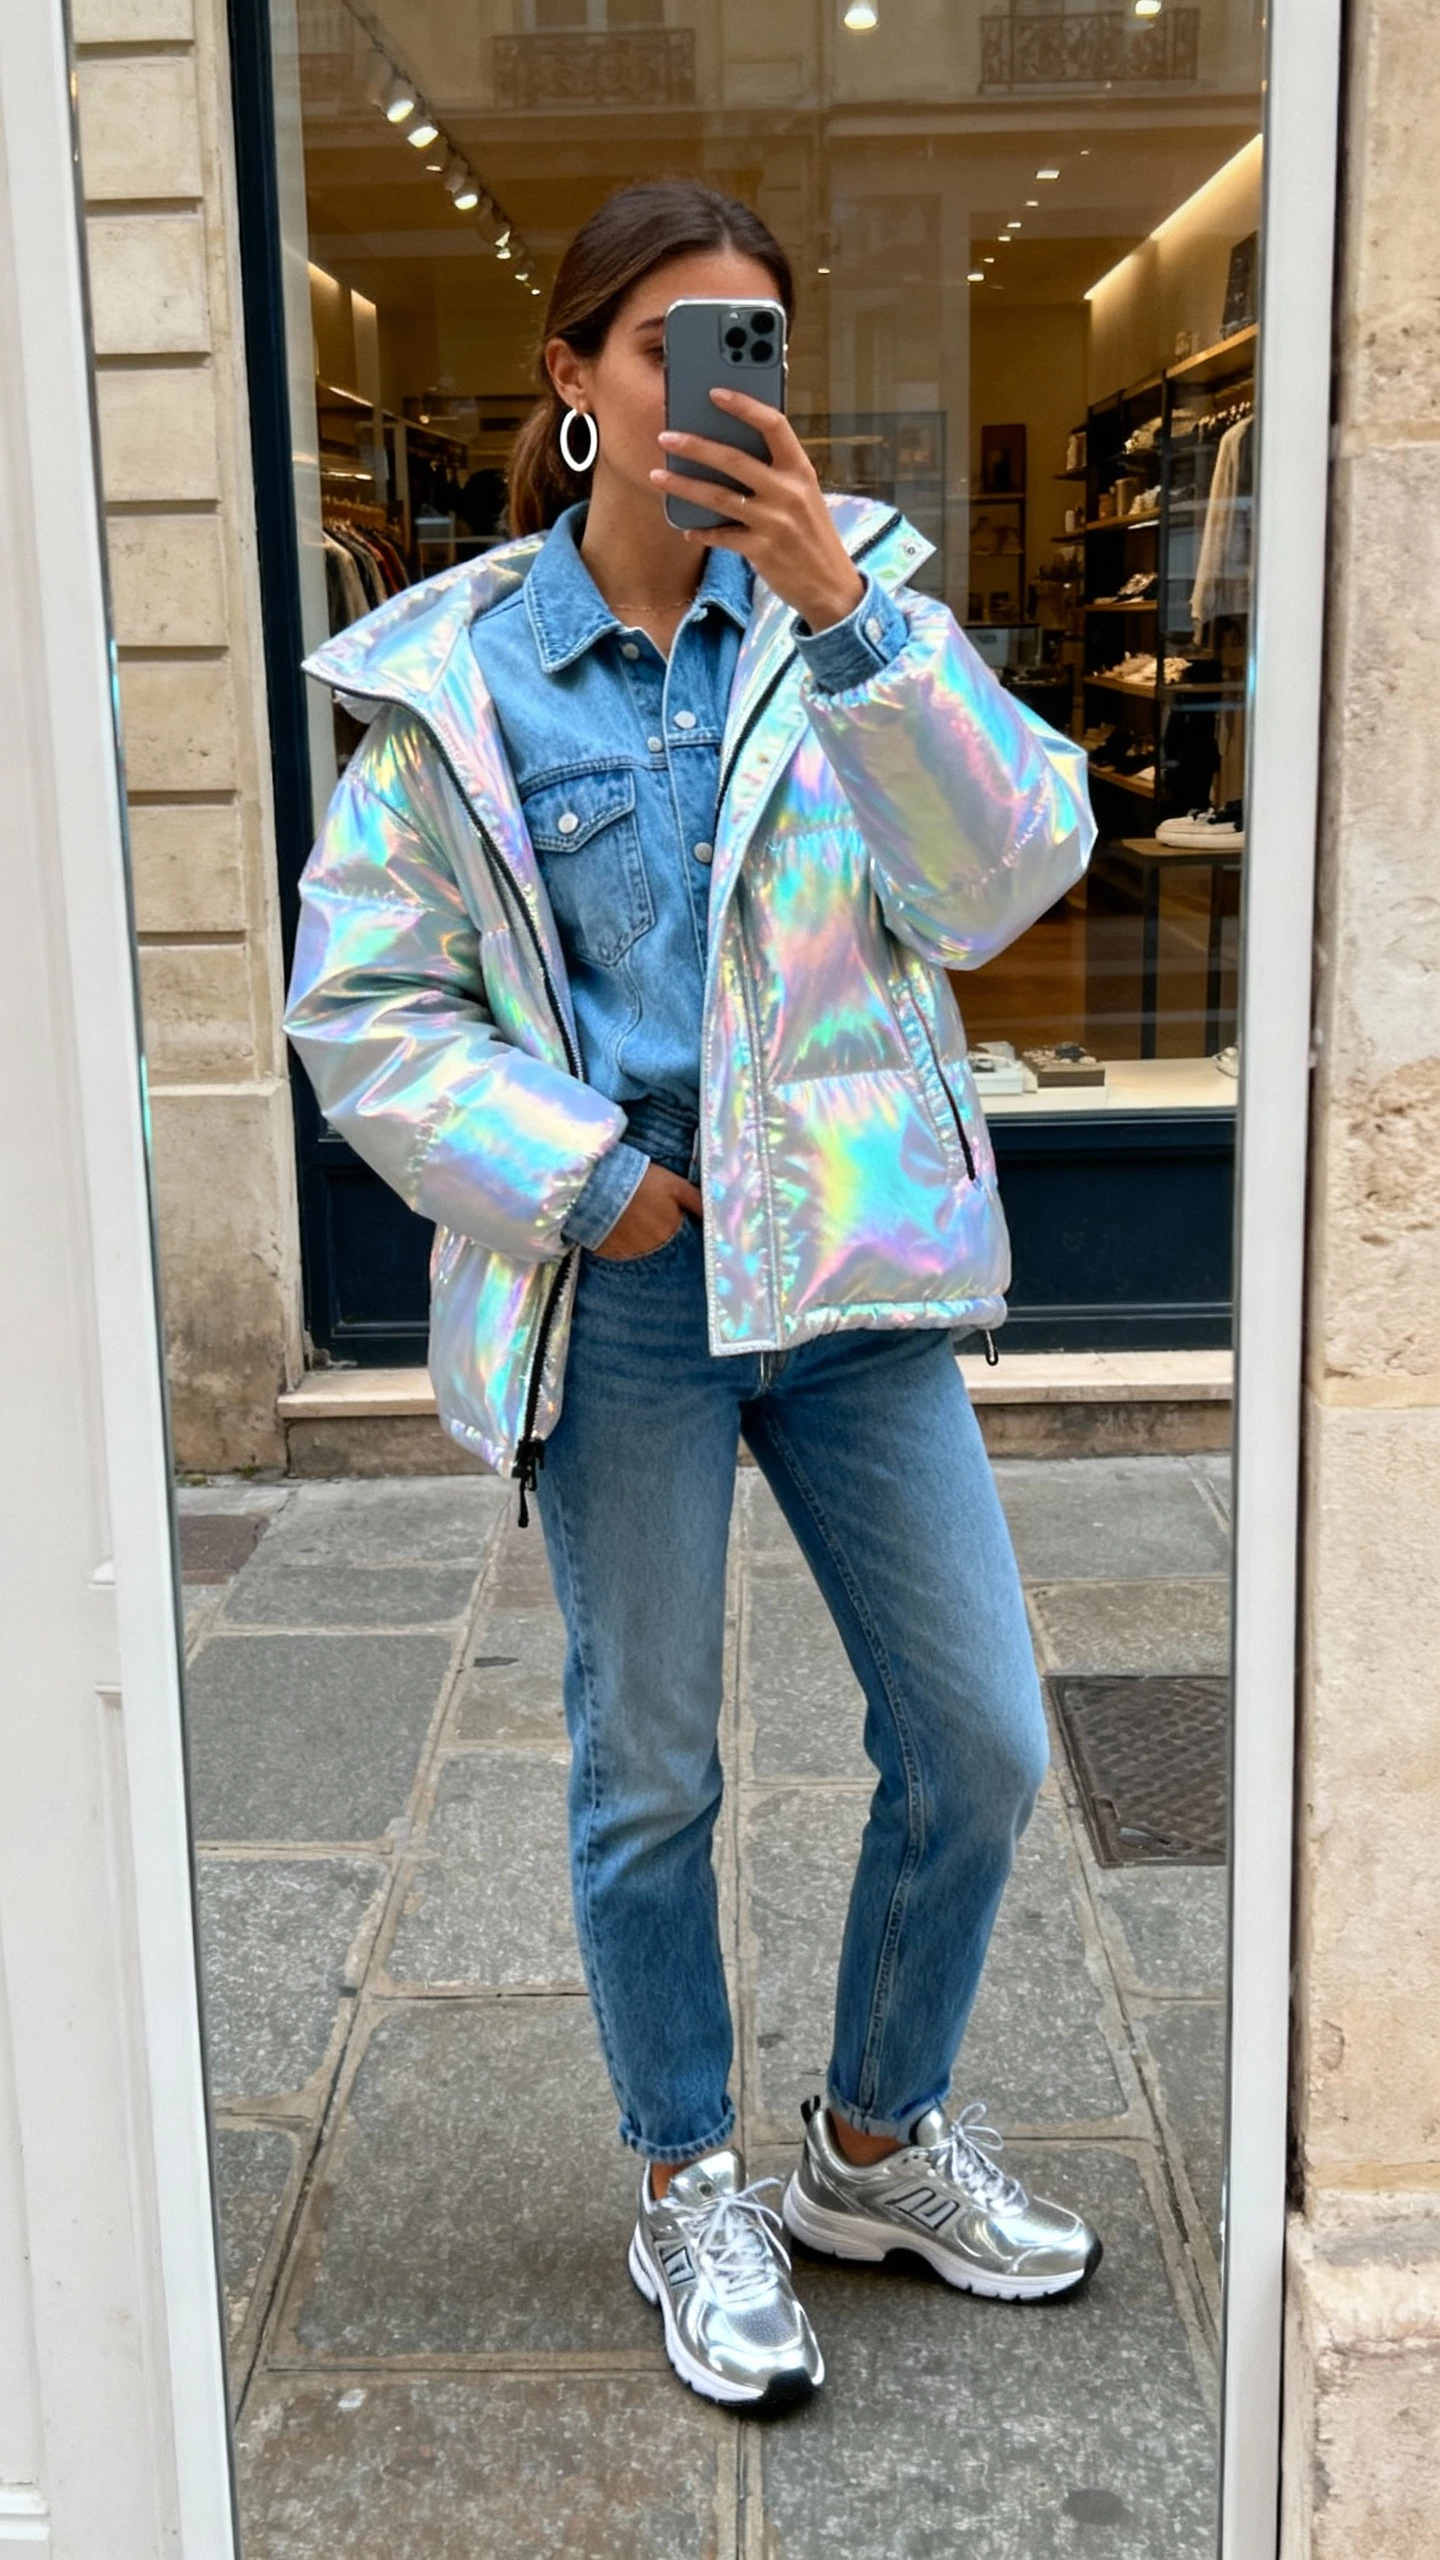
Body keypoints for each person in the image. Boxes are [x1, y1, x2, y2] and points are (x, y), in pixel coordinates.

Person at [286, 180, 1101, 2416]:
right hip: (627, 1276)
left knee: (982, 1735)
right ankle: (687, 2174)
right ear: (572, 377)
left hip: (844, 1264)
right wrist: (583, 1179)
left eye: (751, 346)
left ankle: (871, 2144)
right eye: (666, 346)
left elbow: (1010, 874)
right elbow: (365, 1006)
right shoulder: (461, 682)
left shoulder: (854, 616)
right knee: (648, 1763)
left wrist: (846, 614)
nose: (710, 389)